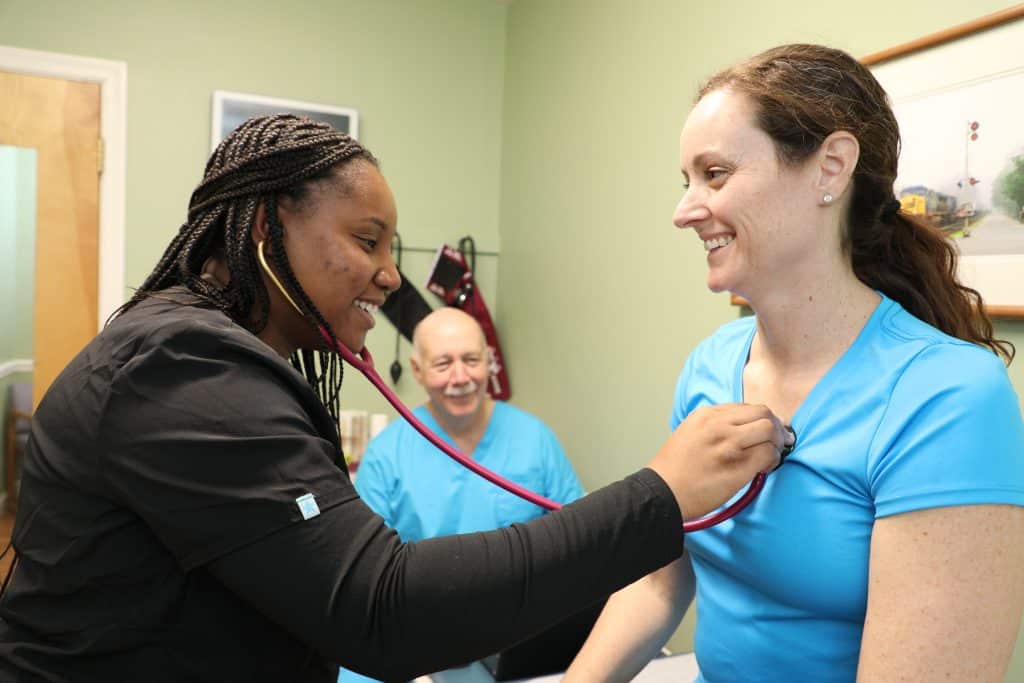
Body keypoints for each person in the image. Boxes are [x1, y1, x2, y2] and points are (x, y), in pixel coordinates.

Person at [0, 114, 790, 682]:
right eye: (366, 240)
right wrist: (661, 494)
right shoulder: (182, 366)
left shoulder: (213, 361)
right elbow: (382, 607)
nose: (389, 274)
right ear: (271, 233)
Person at [565, 44, 1024, 683]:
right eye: (686, 180)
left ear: (830, 168)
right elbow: (658, 585)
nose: (684, 210)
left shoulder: (946, 397)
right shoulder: (711, 366)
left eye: (715, 173)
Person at [355, 307, 584, 541]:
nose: (461, 377)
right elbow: (369, 560)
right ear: (417, 370)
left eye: (472, 360)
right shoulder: (386, 454)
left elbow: (578, 530)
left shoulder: (534, 439)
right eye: (443, 364)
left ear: (489, 360)